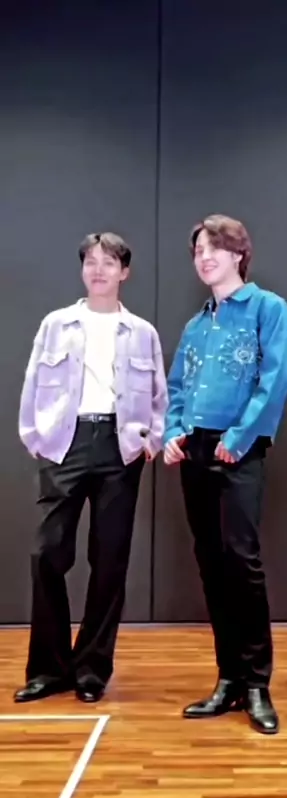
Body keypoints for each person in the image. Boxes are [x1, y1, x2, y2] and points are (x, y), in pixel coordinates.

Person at [15, 232, 167, 704]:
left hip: (120, 448)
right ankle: (49, 669)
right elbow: (33, 382)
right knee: (47, 554)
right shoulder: (57, 324)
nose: (98, 270)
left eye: (109, 262)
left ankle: (92, 669)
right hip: (66, 443)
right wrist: (35, 436)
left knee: (110, 559)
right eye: (91, 262)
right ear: (83, 270)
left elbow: (159, 394)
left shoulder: (141, 332)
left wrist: (151, 440)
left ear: (124, 272)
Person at [164, 214, 287, 734]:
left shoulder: (268, 308)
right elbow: (178, 387)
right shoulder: (196, 325)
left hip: (239, 448)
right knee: (211, 563)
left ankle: (257, 683)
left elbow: (277, 376)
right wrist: (172, 432)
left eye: (214, 248)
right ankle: (229, 678)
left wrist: (239, 438)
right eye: (198, 250)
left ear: (239, 254)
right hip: (195, 450)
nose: (204, 257)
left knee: (242, 561)